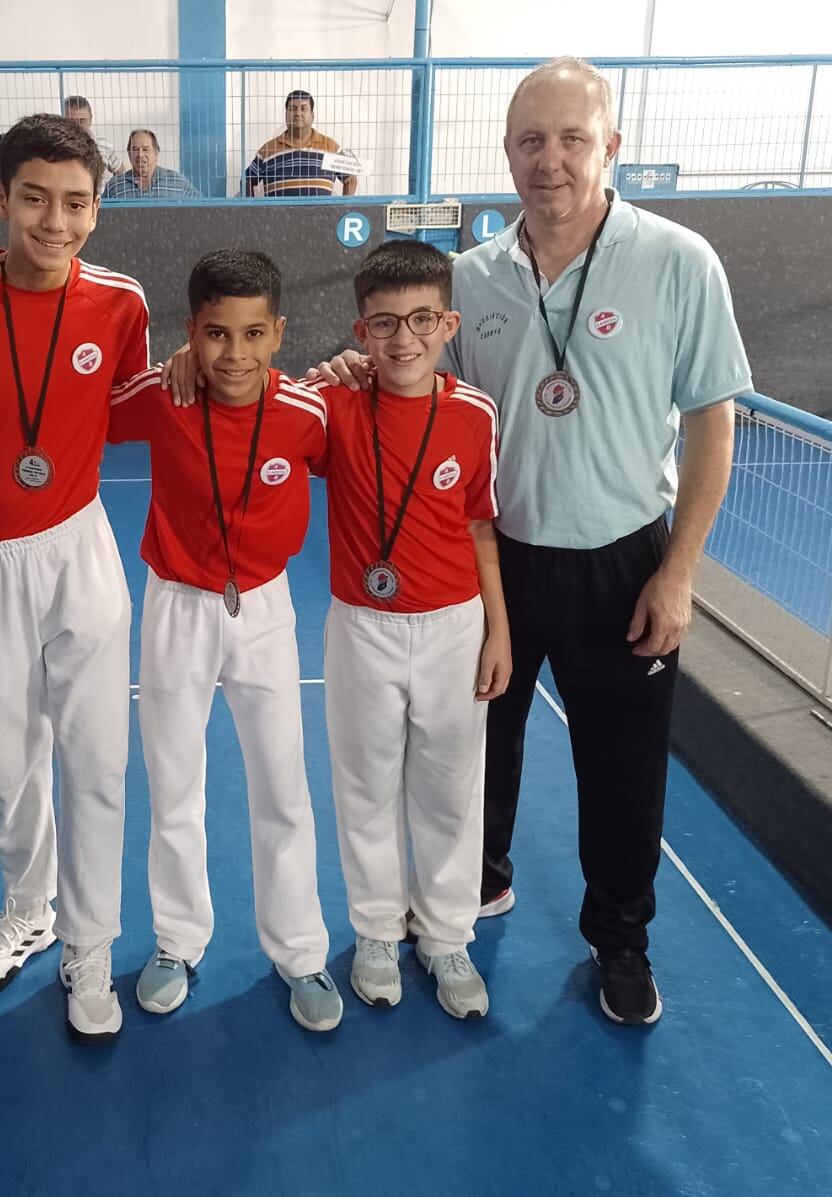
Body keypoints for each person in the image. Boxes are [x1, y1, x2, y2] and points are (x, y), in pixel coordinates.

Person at [315, 57, 746, 1027]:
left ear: (611, 149)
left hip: (620, 557)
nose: (547, 161)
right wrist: (355, 362)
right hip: (494, 562)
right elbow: (423, 397)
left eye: (570, 139)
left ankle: (619, 937)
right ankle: (477, 879)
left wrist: (677, 573)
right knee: (476, 749)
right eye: (528, 141)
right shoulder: (468, 277)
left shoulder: (678, 263)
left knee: (621, 763)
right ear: (506, 152)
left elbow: (711, 422)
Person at [0, 113, 149, 1043]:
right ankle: (29, 907)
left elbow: (131, 405)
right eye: (37, 198)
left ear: (98, 207)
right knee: (10, 766)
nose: (57, 221)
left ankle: (89, 942)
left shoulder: (120, 302)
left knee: (94, 760)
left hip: (76, 548)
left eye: (78, 202)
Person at [106, 250, 343, 1033]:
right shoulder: (163, 392)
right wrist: (164, 363)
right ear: (191, 333)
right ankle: (177, 939)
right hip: (175, 605)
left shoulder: (307, 413)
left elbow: (373, 431)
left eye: (251, 334)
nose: (233, 355)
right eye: (214, 335)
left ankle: (301, 949)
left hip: (267, 610)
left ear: (278, 334)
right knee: (174, 782)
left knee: (282, 784)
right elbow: (88, 407)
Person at [312, 239, 507, 1019]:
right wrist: (316, 373)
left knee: (451, 787)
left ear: (448, 321)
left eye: (422, 320)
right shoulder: (333, 407)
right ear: (360, 331)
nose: (404, 340)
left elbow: (482, 525)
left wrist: (499, 630)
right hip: (361, 626)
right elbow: (257, 417)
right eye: (383, 324)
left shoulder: (473, 414)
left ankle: (446, 934)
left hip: (455, 626)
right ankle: (374, 930)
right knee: (364, 783)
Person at [242, 89, 358, 198]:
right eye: (293, 108)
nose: (298, 113)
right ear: (285, 115)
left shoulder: (330, 146)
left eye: (303, 108)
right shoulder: (268, 150)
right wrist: (251, 209)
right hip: (278, 218)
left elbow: (350, 178)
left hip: (322, 218)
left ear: (312, 116)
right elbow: (247, 179)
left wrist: (344, 209)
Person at [102, 129, 198, 200]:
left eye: (145, 149)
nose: (140, 155)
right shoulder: (114, 186)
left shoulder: (177, 182)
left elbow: (200, 210)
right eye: (135, 149)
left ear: (156, 154)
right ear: (129, 154)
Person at [63, 94, 125, 179]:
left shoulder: (105, 145)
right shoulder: (57, 148)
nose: (77, 126)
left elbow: (120, 171)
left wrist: (114, 191)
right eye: (72, 121)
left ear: (91, 119)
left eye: (82, 121)